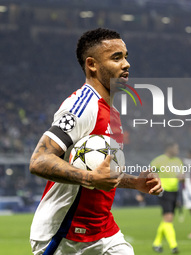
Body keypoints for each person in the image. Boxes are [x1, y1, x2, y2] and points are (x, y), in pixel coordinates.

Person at [29, 28, 163, 255]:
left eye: (126, 56)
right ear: (92, 64)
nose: (126, 64)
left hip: (103, 231)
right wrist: (90, 178)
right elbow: (39, 160)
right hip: (65, 236)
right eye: (116, 57)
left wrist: (135, 183)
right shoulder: (82, 106)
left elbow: (100, 173)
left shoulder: (112, 112)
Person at [151, 142, 182, 254]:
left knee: (167, 219)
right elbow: (149, 173)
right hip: (164, 191)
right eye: (176, 148)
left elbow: (180, 176)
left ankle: (156, 243)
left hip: (174, 192)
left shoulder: (178, 161)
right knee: (168, 218)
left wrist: (182, 178)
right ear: (169, 148)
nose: (177, 150)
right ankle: (174, 246)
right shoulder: (159, 160)